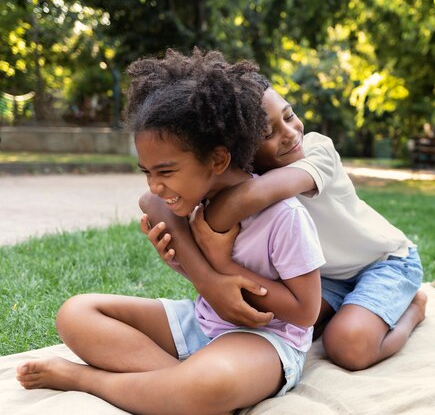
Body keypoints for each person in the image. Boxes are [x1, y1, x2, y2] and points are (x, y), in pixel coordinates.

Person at [16, 49, 325, 415]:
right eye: (147, 171)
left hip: (266, 340)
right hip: (201, 322)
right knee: (76, 313)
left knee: (210, 384)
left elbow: (306, 312)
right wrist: (183, 265)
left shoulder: (284, 216)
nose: (156, 185)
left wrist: (224, 267)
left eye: (165, 172)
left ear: (217, 160)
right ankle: (177, 385)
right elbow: (151, 201)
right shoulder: (194, 201)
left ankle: (89, 380)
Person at [141, 62, 427, 371]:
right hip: (324, 277)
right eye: (268, 133)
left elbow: (248, 198)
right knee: (273, 322)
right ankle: (347, 307)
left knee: (347, 346)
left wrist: (203, 248)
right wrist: (203, 275)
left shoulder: (318, 151)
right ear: (243, 150)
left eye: (289, 116)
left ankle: (414, 308)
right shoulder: (247, 173)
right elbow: (152, 201)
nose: (290, 134)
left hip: (384, 262)